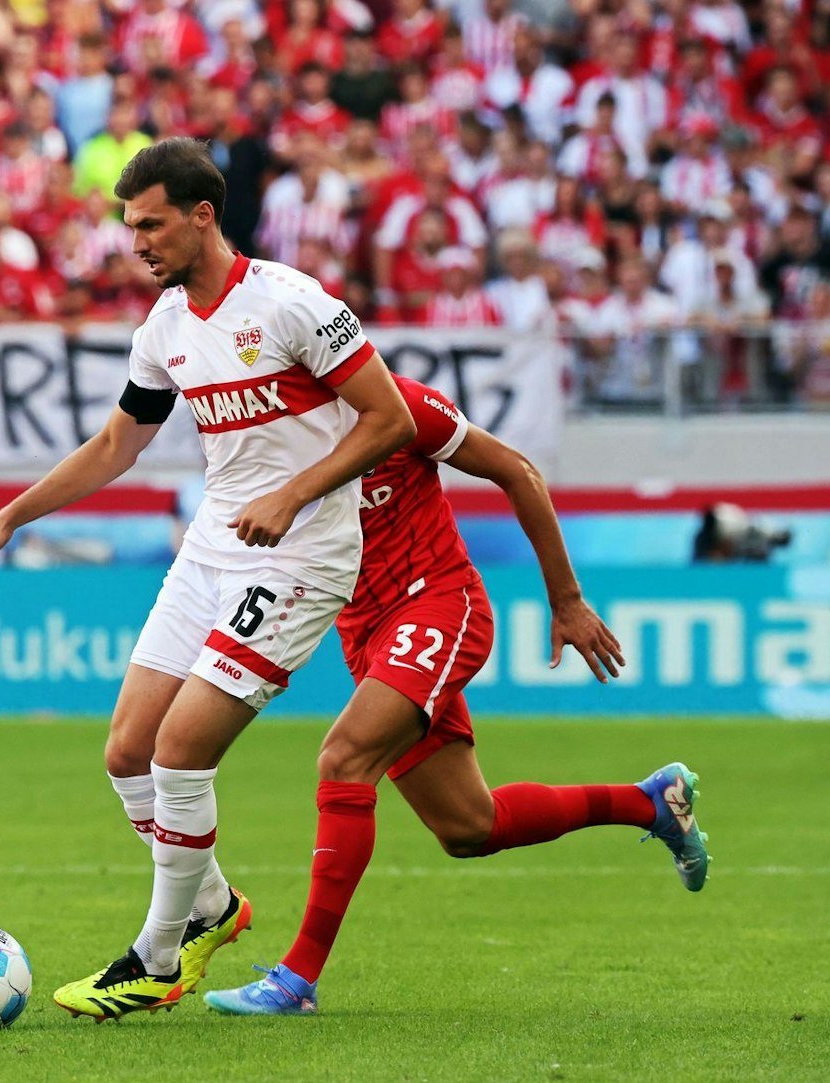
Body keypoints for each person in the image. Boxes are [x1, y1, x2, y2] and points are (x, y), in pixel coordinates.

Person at [0, 138, 416, 1019]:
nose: (138, 241)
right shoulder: (163, 327)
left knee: (180, 751)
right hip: (213, 547)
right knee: (128, 749)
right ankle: (211, 906)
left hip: (302, 552)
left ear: (203, 215)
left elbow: (386, 418)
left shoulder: (293, 305)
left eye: (152, 223)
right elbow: (116, 446)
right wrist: (10, 516)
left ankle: (157, 958)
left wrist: (294, 492)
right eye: (131, 226)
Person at [204, 374, 711, 1015]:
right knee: (470, 827)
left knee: (344, 758)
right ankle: (650, 804)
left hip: (439, 603)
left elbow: (518, 471)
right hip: (363, 631)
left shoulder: (396, 405)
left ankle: (294, 980)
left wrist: (567, 599)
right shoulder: (270, 432)